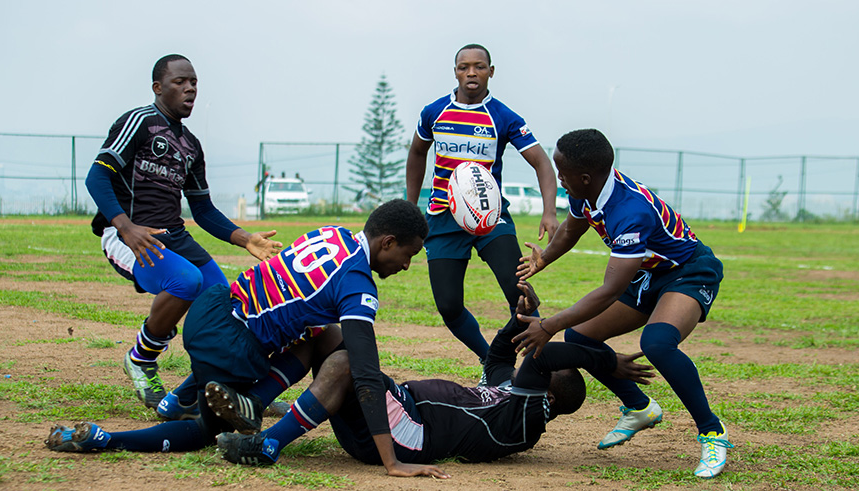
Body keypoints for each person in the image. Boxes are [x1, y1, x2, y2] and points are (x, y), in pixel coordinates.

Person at [47, 199, 446, 479]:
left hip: (214, 309)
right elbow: (365, 371)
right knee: (204, 430)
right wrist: (391, 461)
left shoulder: (332, 234)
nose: (407, 266)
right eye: (408, 255)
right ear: (387, 242)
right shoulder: (359, 284)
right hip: (230, 346)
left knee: (322, 332)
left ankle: (194, 399)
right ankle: (107, 439)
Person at [213, 281, 653, 469]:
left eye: (543, 376)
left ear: (551, 399)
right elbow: (504, 352)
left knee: (348, 364)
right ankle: (256, 403)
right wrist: (523, 318)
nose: (527, 367)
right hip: (393, 412)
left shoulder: (527, 419)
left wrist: (605, 361)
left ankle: (267, 445)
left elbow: (541, 360)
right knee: (329, 334)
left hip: (409, 433)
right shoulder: (507, 390)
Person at [512, 129, 731, 479]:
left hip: (687, 272)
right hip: (650, 273)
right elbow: (571, 229)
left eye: (563, 175)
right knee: (581, 338)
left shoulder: (630, 211)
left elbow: (610, 290)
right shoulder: (589, 191)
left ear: (584, 177)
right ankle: (639, 407)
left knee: (657, 344)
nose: (560, 181)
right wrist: (543, 261)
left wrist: (549, 325)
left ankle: (712, 433)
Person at [84, 54, 282, 416]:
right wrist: (124, 226)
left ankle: (228, 386)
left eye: (194, 82)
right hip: (129, 235)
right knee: (186, 281)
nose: (189, 88)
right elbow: (96, 176)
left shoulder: (191, 146)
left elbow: (203, 210)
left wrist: (244, 238)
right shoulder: (139, 122)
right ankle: (141, 359)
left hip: (174, 235)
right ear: (158, 88)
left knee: (225, 301)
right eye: (180, 82)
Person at [405, 43, 560, 362]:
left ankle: (531, 366)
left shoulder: (504, 117)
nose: (471, 72)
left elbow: (542, 162)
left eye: (479, 66)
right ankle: (490, 360)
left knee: (521, 295)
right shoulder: (434, 112)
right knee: (448, 306)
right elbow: (417, 153)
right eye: (464, 67)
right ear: (455, 72)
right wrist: (410, 208)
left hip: (491, 218)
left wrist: (549, 210)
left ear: (491, 71)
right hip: (443, 217)